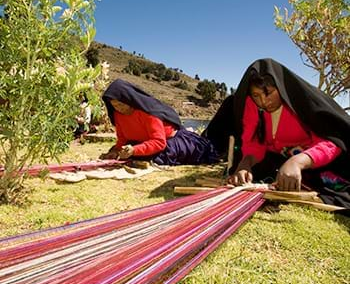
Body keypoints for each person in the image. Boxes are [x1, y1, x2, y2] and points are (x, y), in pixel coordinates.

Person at [204, 58, 350, 209]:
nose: (263, 101)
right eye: (256, 95)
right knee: (246, 173)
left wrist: (297, 162)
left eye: (269, 93)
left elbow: (332, 141)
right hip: (278, 160)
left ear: (280, 86)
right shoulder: (252, 106)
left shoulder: (301, 104)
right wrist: (245, 163)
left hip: (313, 161)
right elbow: (253, 142)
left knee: (335, 186)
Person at [99, 79, 219, 165]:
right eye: (114, 105)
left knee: (158, 157)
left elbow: (159, 142)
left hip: (168, 141)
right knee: (135, 155)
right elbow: (122, 139)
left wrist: (134, 150)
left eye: (121, 104)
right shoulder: (118, 115)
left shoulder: (148, 112)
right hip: (144, 142)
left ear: (129, 99)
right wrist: (116, 151)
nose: (118, 108)